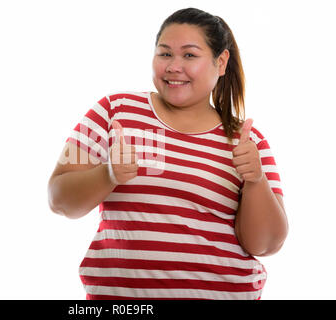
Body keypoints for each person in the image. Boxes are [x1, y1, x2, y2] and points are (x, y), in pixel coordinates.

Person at [47, 7, 288, 300]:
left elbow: (266, 245)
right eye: (164, 54)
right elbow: (59, 200)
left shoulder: (248, 141)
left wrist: (255, 179)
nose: (174, 66)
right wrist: (108, 174)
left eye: (189, 55)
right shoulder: (113, 111)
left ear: (221, 62)